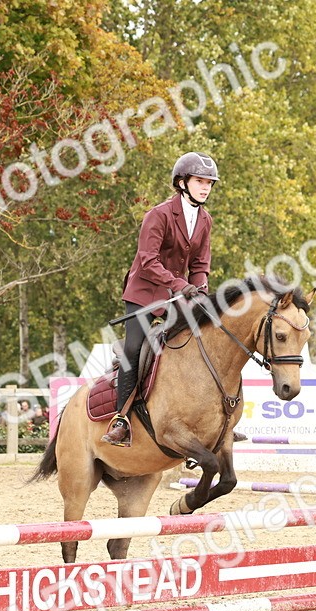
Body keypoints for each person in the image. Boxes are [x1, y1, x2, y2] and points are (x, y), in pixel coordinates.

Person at [102, 152, 217, 446]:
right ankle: (121, 420)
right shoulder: (160, 214)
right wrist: (180, 285)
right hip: (145, 292)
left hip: (177, 296)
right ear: (182, 182)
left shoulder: (205, 220)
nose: (205, 187)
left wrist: (200, 289)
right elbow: (148, 260)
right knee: (134, 349)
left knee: (201, 341)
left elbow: (200, 265)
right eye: (199, 181)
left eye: (209, 183)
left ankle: (209, 418)